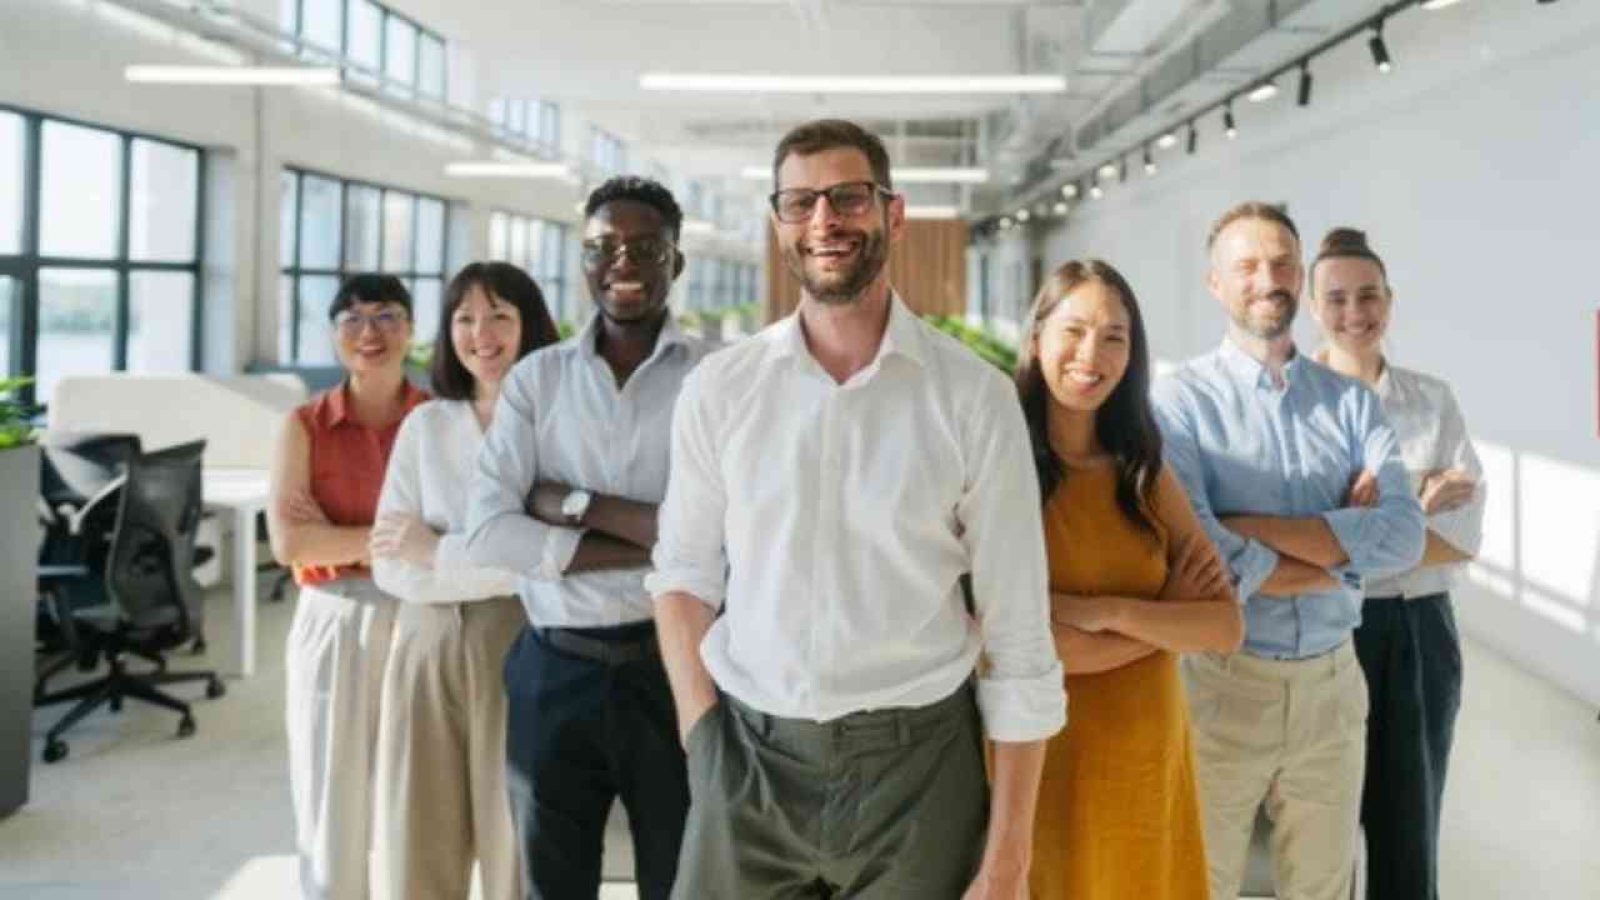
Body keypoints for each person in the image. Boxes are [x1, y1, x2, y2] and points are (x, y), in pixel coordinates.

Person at [649, 118, 1065, 900]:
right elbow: (681, 574)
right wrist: (704, 740)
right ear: (778, 223)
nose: (823, 221)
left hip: (919, 776)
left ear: (893, 214)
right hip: (749, 758)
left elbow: (1018, 636)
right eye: (800, 202)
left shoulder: (973, 397)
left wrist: (1008, 859)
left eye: (847, 198)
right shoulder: (723, 388)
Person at [1150, 202, 1425, 900]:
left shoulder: (1353, 403)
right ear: (1216, 284)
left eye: (1280, 263)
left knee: (1324, 888)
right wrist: (1339, 547)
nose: (1265, 279)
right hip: (1222, 684)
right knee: (1198, 881)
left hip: (1334, 689)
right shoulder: (1178, 403)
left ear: (1300, 275)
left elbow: (1403, 537)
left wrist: (1249, 529)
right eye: (1246, 266)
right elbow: (1202, 552)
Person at [464, 176, 706, 900]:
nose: (622, 263)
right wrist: (662, 540)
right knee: (552, 882)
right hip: (553, 670)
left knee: (680, 876)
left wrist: (573, 503)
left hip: (674, 670)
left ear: (675, 262)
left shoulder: (716, 376)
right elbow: (486, 532)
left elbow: (735, 531)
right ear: (584, 261)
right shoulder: (538, 380)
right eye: (602, 247)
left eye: (643, 247)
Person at [1017, 259, 1243, 900]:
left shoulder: (1142, 472)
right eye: (1075, 330)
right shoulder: (1001, 464)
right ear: (1037, 338)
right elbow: (1024, 643)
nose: (1093, 354)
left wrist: (1105, 610)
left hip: (1147, 763)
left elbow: (1225, 625)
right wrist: (1168, 617)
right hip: (1042, 763)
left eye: (1115, 336)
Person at [368, 262, 561, 900]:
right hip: (425, 645)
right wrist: (484, 559)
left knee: (518, 832)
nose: (481, 333)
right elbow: (391, 560)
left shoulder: (557, 425)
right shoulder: (426, 425)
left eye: (500, 315)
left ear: (530, 325)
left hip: (525, 639)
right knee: (419, 830)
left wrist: (439, 551)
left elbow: (550, 556)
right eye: (464, 318)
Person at [1308, 227, 1484, 900]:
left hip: (1417, 634)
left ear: (1390, 299)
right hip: (1323, 629)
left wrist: (1364, 524)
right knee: (1319, 826)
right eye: (1337, 298)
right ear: (1312, 307)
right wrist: (1417, 502)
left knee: (1409, 824)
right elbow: (1300, 535)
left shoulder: (1431, 400)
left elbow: (1462, 535)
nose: (1355, 312)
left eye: (1369, 295)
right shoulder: (1295, 405)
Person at [267, 273, 429, 899]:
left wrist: (344, 534)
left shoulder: (438, 419)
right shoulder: (302, 425)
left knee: (416, 797)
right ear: (335, 337)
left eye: (388, 316)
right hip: (334, 616)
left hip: (423, 614)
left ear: (410, 330)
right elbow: (292, 545)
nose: (371, 333)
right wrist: (400, 536)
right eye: (353, 320)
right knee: (331, 795)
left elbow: (458, 534)